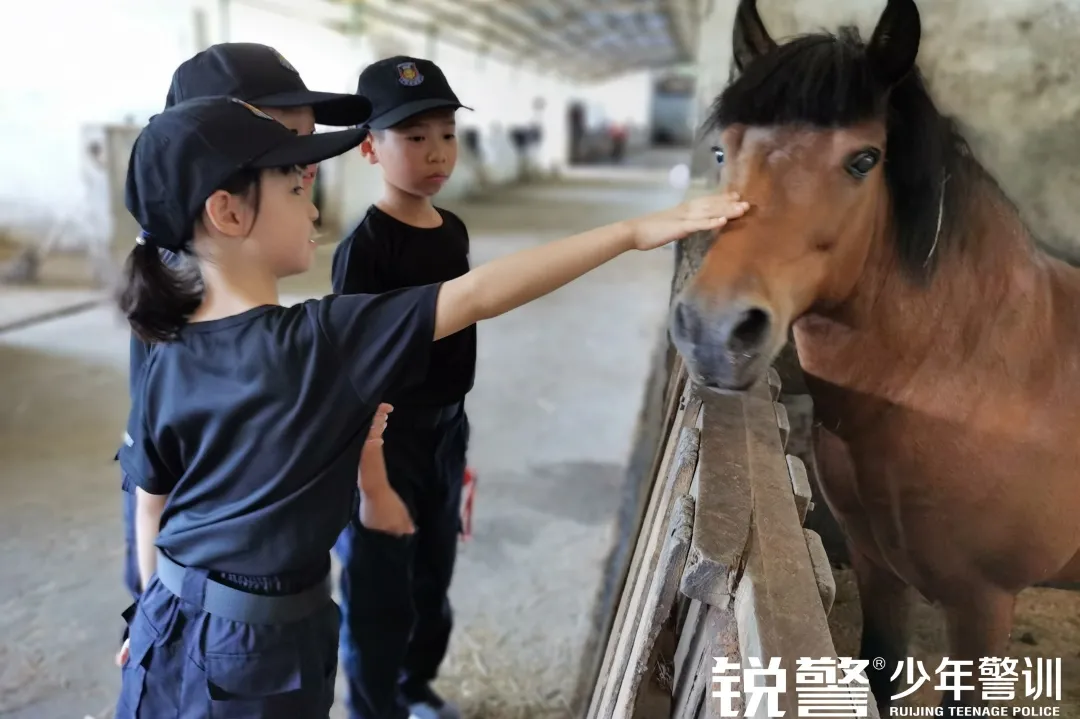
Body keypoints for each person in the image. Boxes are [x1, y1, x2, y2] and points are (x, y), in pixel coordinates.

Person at [114, 93, 748, 718]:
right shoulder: (319, 343)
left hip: (165, 621)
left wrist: (144, 613)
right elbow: (477, 295)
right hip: (255, 654)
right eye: (296, 188)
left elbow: (151, 501)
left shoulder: (166, 347)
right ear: (227, 212)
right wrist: (632, 232)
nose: (314, 208)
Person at [113, 42, 373, 663]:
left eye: (304, 143)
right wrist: (149, 618)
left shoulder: (239, 264)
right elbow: (158, 481)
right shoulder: (180, 274)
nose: (305, 165)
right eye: (281, 141)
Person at [328, 55, 476, 719]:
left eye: (446, 134)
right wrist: (373, 483)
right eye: (414, 137)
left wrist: (452, 437)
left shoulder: (453, 229)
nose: (436, 151)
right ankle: (374, 707)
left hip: (446, 429)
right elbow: (351, 372)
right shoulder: (366, 247)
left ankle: (415, 690)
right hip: (385, 440)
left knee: (431, 575)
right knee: (379, 588)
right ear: (370, 148)